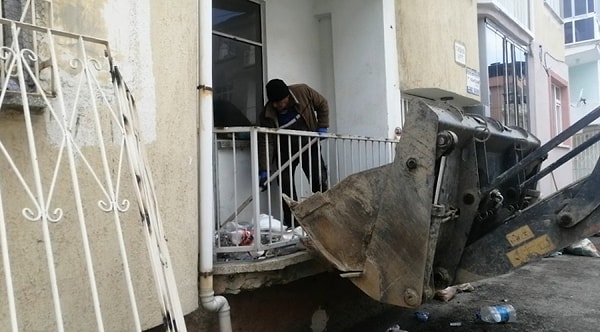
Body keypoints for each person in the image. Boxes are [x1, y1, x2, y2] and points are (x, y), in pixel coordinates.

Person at [257, 78, 329, 227]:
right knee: (286, 187)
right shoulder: (267, 115)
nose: (278, 105)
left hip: (309, 145)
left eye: (281, 101)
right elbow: (266, 142)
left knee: (318, 180)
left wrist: (322, 126)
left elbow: (322, 104)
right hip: (285, 149)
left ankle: (326, 217)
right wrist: (265, 169)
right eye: (275, 103)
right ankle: (293, 224)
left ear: (288, 96)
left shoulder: (303, 92)